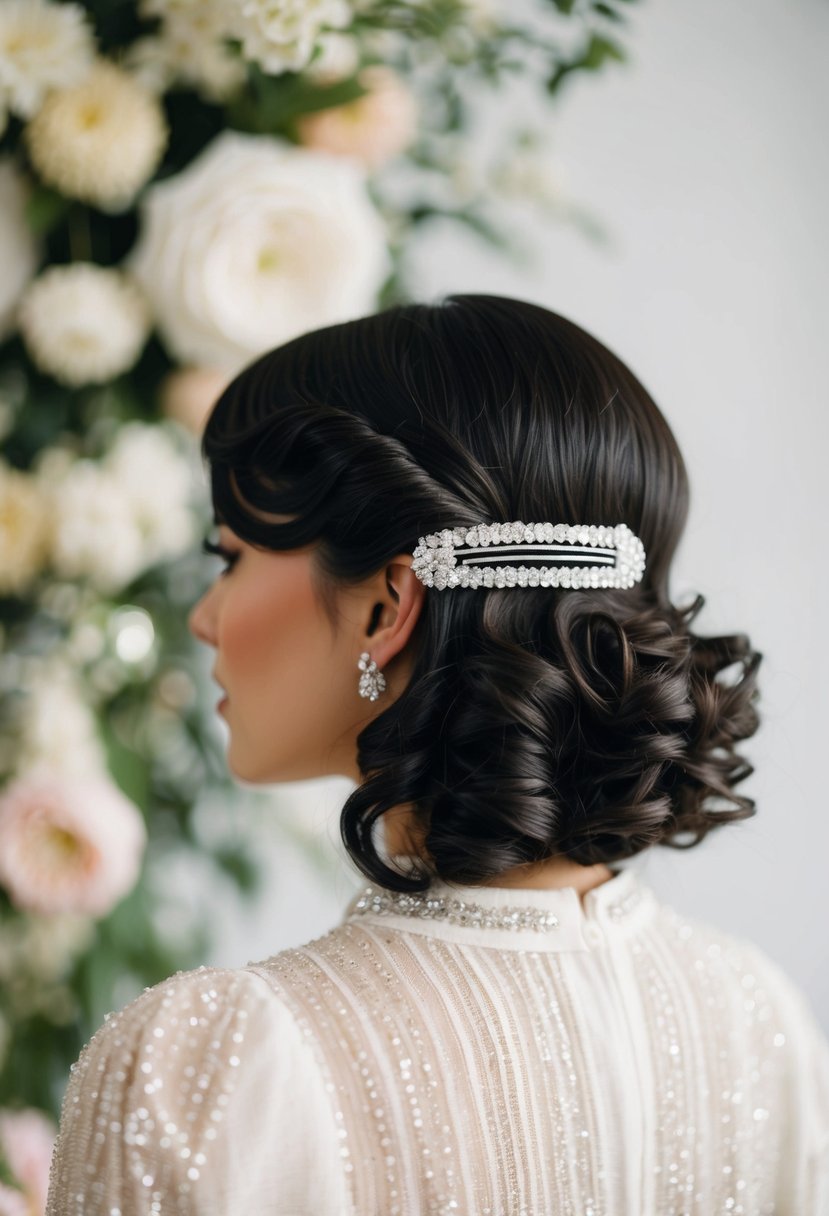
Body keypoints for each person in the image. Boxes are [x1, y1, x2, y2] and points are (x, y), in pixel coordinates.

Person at [45, 295, 829, 1214]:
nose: (203, 617)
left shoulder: (220, 1061)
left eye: (231, 557)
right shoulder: (753, 1017)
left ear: (388, 605)